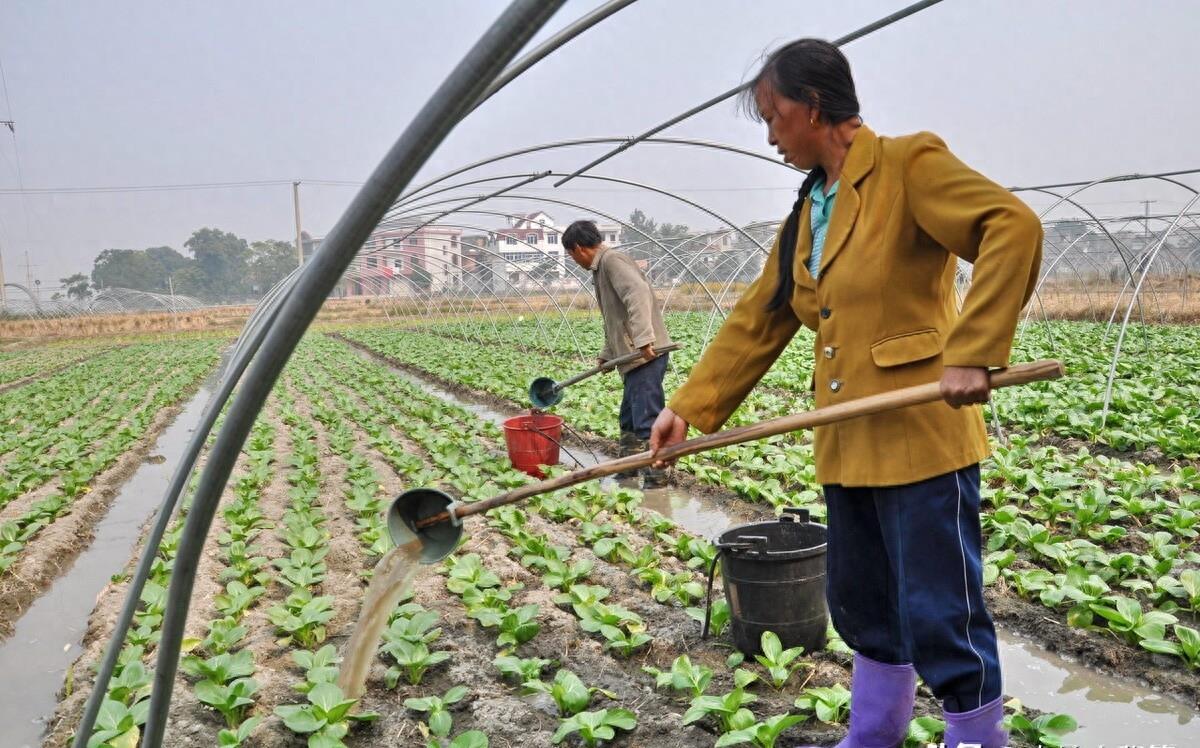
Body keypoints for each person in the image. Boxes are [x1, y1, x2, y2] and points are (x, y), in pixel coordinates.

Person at [649, 39, 1041, 748]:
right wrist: (689, 408)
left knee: (941, 611)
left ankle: (978, 739)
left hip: (922, 436)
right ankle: (873, 734)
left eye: (773, 116)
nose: (770, 135)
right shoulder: (809, 208)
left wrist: (974, 352)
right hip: (847, 442)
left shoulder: (907, 165)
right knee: (863, 606)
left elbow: (1010, 225)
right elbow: (761, 316)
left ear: (813, 106)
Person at [562, 219, 674, 488]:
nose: (572, 260)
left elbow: (637, 295)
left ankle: (656, 479)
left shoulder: (613, 261)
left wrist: (644, 338)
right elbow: (614, 319)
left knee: (646, 418)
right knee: (628, 418)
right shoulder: (600, 269)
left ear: (578, 248)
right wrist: (606, 353)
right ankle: (629, 470)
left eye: (570, 254)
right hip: (632, 356)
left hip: (646, 355)